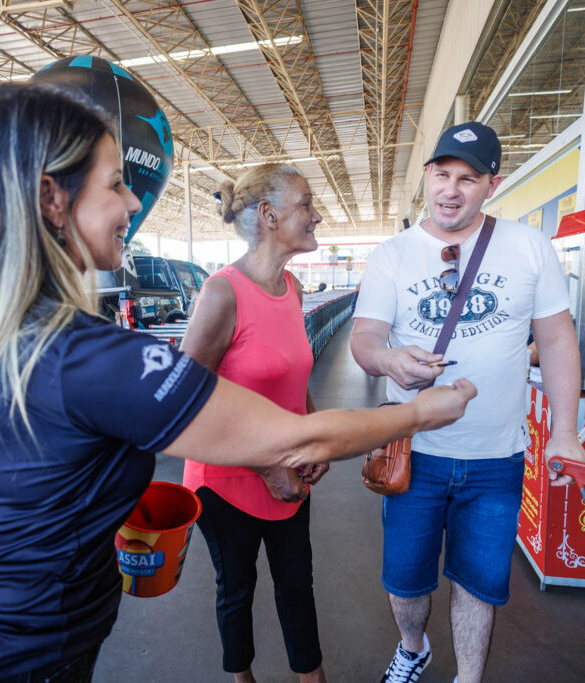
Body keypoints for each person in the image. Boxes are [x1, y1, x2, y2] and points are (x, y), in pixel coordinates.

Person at [0, 82, 476, 682]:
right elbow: (297, 440)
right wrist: (421, 413)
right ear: (52, 198)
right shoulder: (89, 357)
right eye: (115, 184)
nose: (133, 204)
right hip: (12, 661)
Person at [350, 121, 585, 683]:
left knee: (479, 585)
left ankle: (468, 678)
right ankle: (413, 648)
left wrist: (565, 432)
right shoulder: (392, 254)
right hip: (413, 455)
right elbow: (364, 339)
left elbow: (557, 340)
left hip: (496, 459)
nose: (451, 190)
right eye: (442, 174)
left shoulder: (528, 247)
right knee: (405, 581)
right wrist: (390, 360)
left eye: (468, 178)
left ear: (491, 185)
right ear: (427, 176)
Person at [180, 163, 327, 683]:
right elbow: (186, 401)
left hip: (289, 470)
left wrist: (313, 435)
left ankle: (313, 678)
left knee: (297, 585)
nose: (316, 215)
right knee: (236, 590)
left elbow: (293, 374)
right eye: (306, 204)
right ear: (269, 215)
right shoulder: (222, 293)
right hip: (227, 478)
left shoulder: (293, 289)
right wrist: (268, 467)